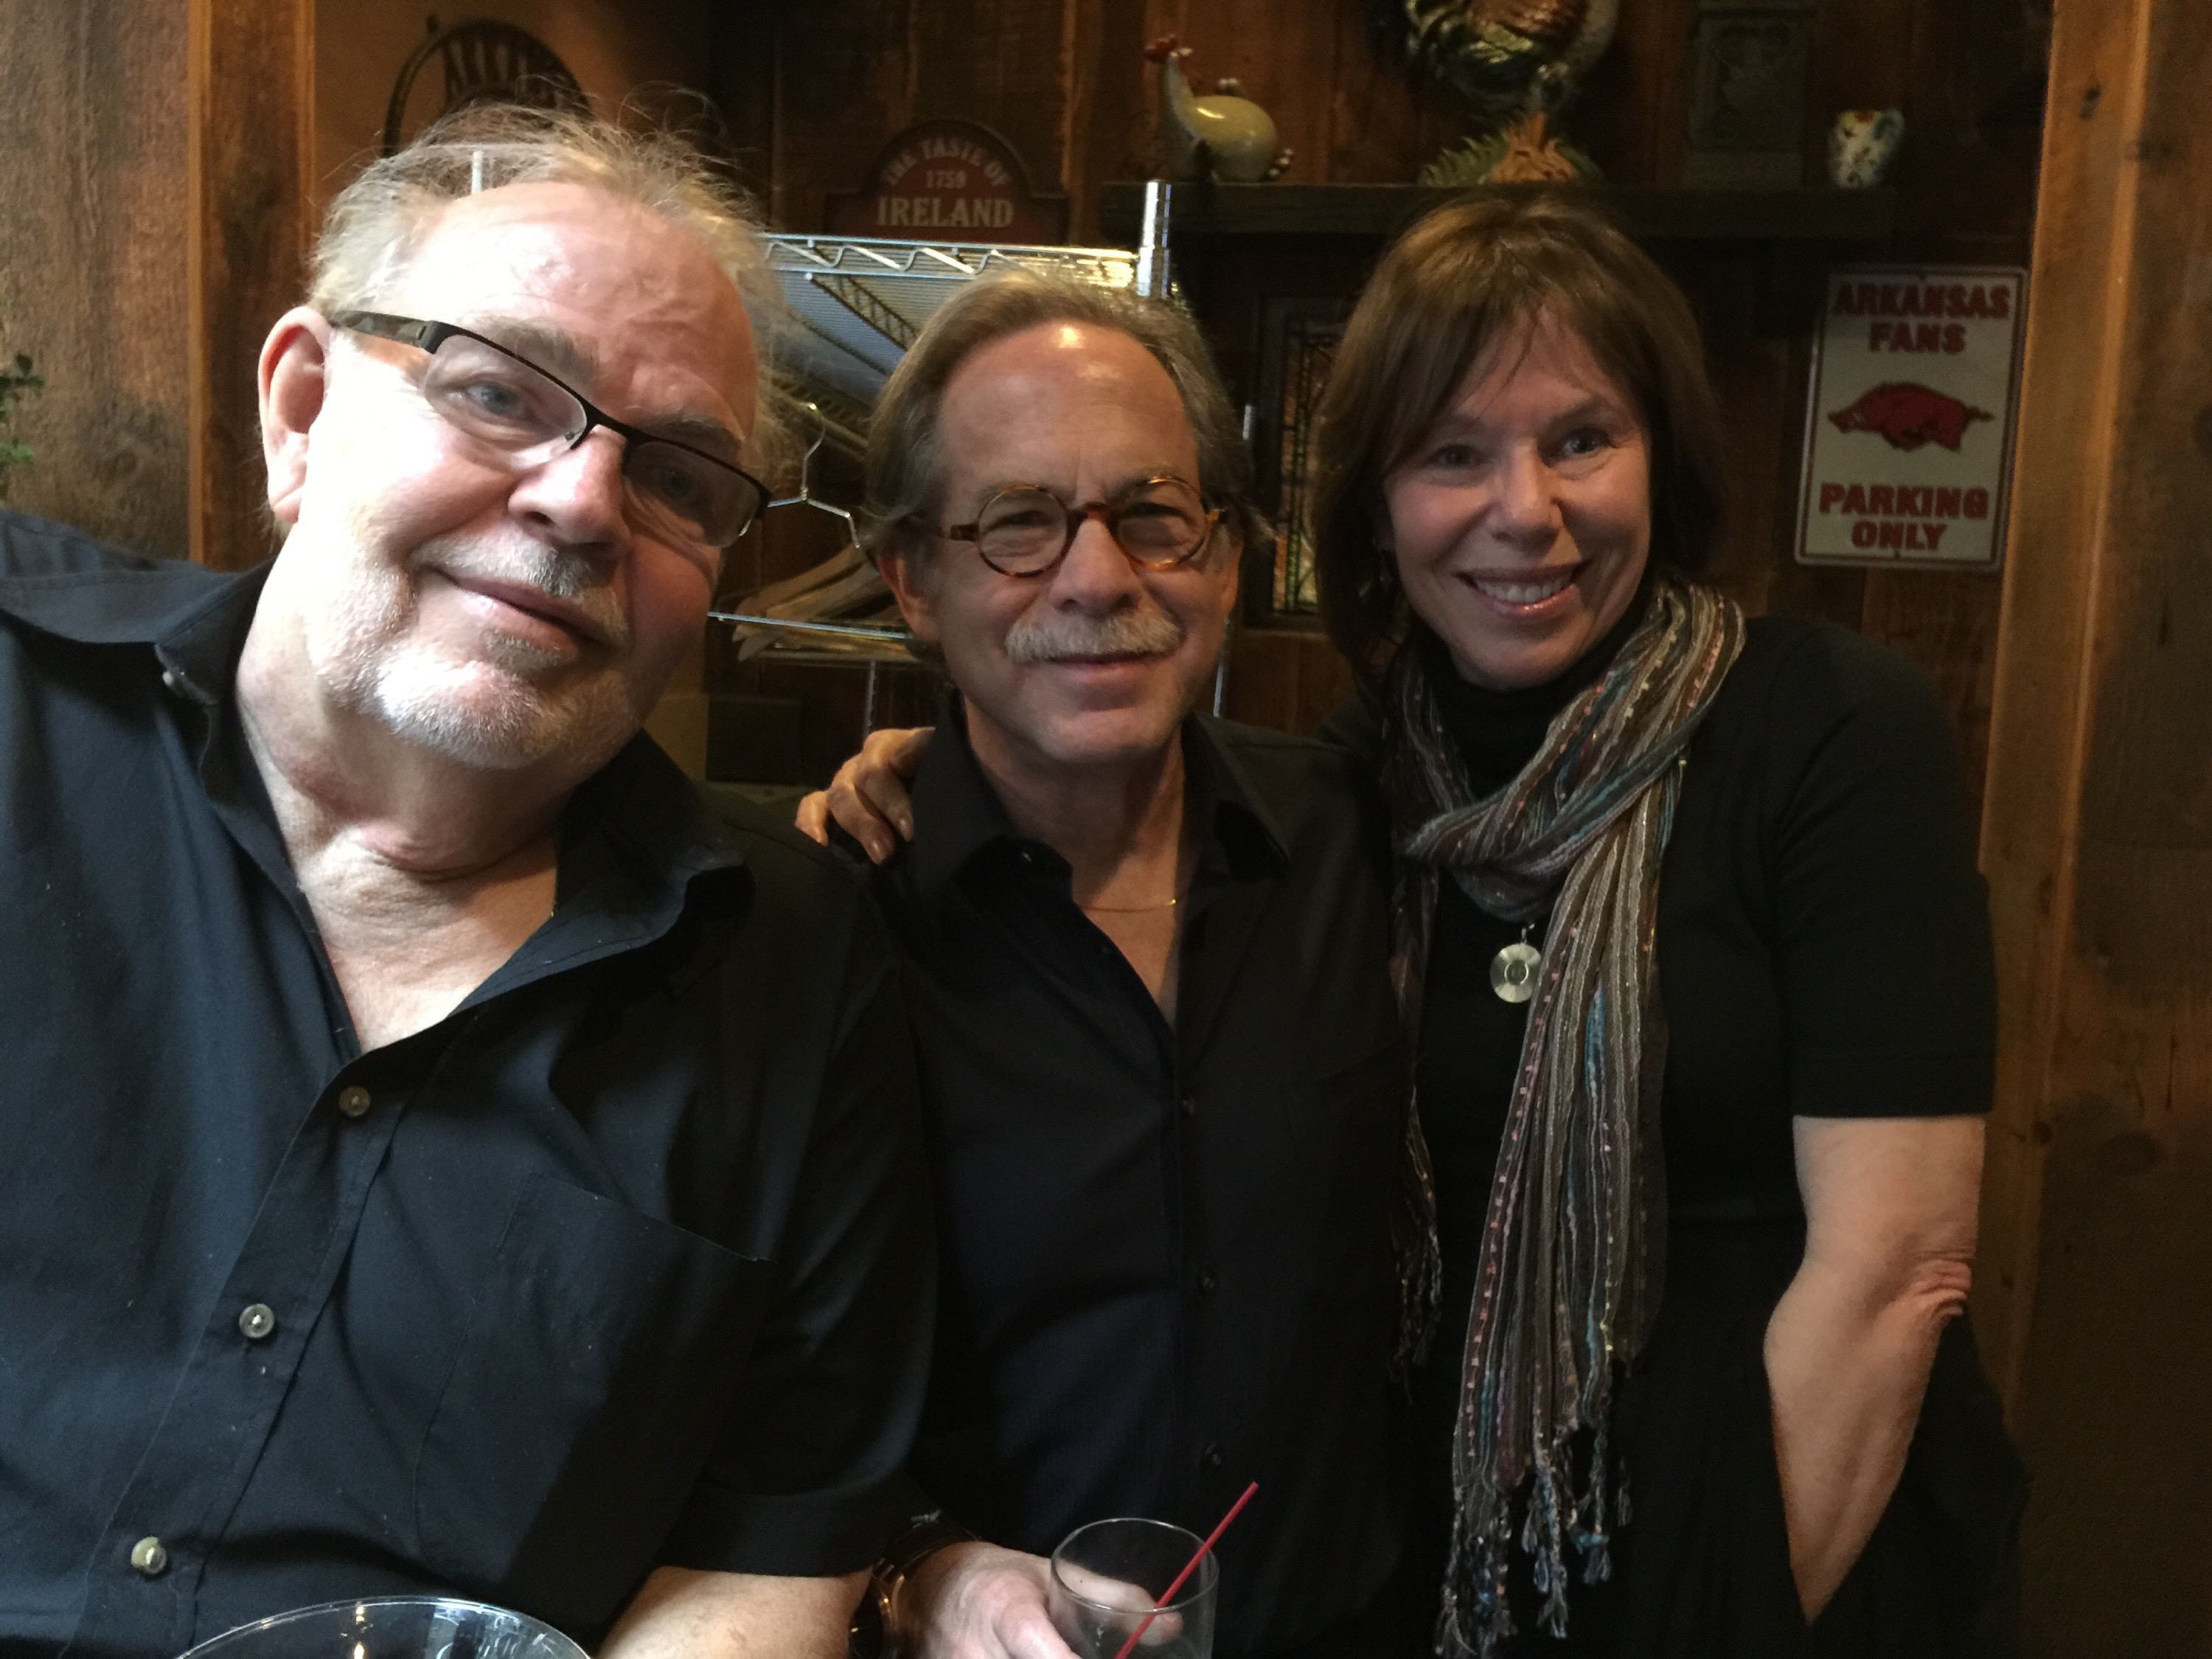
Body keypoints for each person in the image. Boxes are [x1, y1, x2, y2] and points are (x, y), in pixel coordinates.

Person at [810, 194, 2025, 1659]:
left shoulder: (1820, 733)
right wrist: (941, 768)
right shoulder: (1369, 782)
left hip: (1783, 1535)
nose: (1525, 508)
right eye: (1453, 453)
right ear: (1377, 504)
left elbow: (1898, 1273)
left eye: (1583, 437)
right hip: (1452, 1585)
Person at [0, 108, 932, 1659]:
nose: (582, 502)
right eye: (497, 392)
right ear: (302, 410)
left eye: (680, 475)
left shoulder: (796, 966)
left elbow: (767, 1555)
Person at [795, 271, 1413, 1659]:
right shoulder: (832, 918)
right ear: (913, 580)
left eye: (1153, 515)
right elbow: (770, 1388)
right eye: (1019, 522)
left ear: (1226, 559)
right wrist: (917, 1573)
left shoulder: (1355, 834)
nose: (1097, 576)